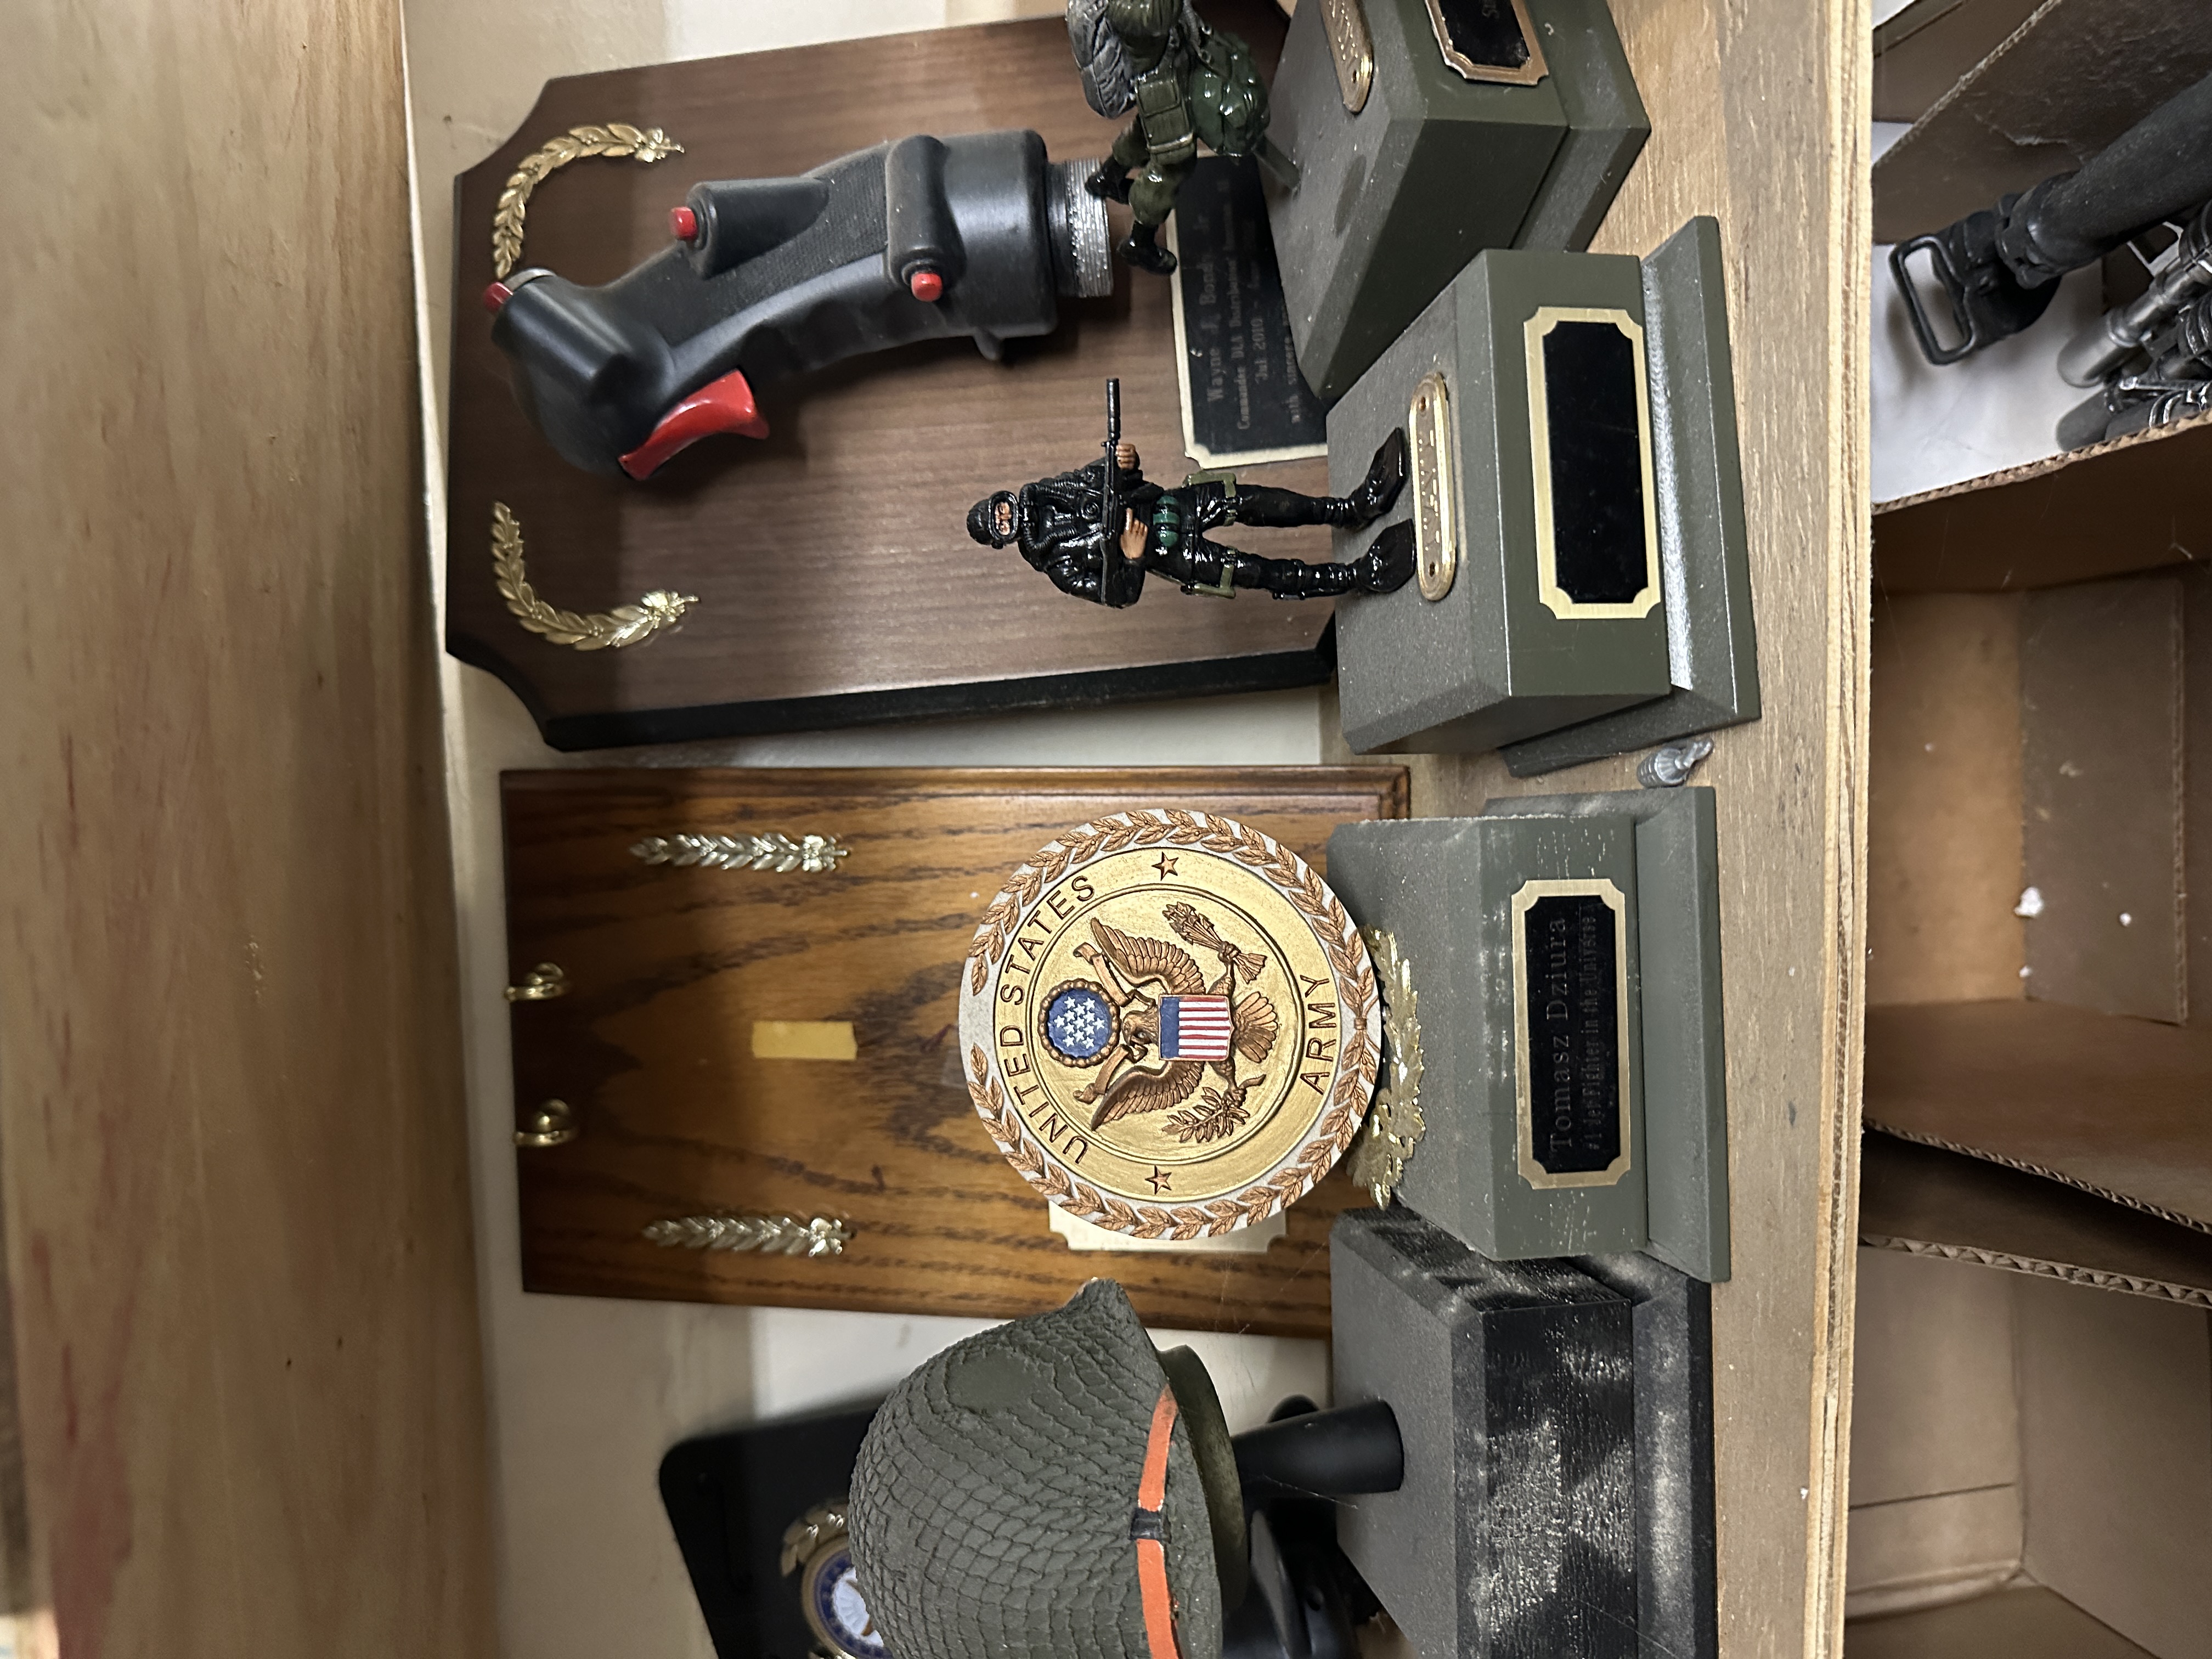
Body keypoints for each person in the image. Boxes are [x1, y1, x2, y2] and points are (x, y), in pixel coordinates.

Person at [966, 430, 1413, 606]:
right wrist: (1134, 556)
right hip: (1170, 553)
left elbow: (1106, 477)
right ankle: (1358, 574)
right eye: (1000, 522)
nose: (1008, 514)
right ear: (1002, 539)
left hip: (1172, 505)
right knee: (1258, 572)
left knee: (1256, 500)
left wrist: (1124, 462)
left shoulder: (1052, 491)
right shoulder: (1059, 565)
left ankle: (1353, 508)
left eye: (1000, 507)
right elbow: (1118, 595)